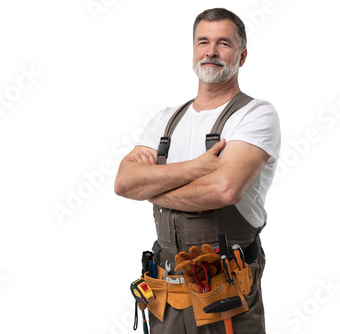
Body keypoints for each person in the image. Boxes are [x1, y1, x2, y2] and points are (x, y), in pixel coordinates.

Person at [114, 8, 281, 334]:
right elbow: (123, 183)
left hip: (226, 295)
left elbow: (223, 190)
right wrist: (197, 167)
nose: (211, 51)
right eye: (203, 42)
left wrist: (152, 188)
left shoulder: (255, 115)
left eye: (224, 43)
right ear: (193, 51)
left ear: (242, 55)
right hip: (166, 293)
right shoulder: (165, 119)